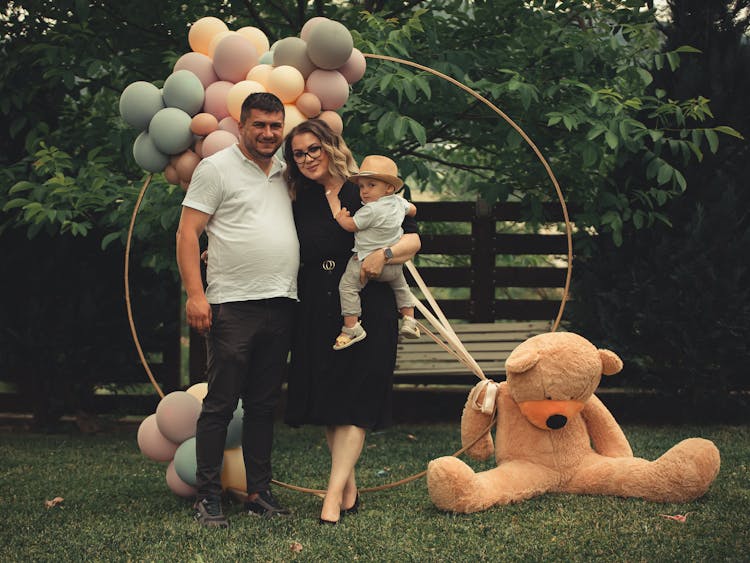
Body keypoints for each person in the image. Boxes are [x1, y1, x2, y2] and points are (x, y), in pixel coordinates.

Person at [283, 119, 421, 524]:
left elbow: (413, 239)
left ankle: (330, 497)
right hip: (315, 302)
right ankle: (349, 488)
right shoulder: (297, 195)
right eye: (298, 153)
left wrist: (386, 255)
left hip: (367, 300)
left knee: (359, 395)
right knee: (331, 399)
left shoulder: (369, 187)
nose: (307, 158)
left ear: (331, 146)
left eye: (314, 149)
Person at [176, 92, 298, 528]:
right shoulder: (216, 168)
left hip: (282, 301)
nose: (268, 133)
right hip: (231, 304)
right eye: (259, 125)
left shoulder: (289, 169)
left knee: (264, 405)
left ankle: (258, 492)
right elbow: (188, 234)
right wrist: (196, 294)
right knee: (221, 404)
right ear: (241, 125)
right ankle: (207, 497)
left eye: (275, 126)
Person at [332, 155, 420, 350]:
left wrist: (341, 217)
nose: (363, 192)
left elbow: (351, 225)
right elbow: (412, 210)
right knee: (401, 288)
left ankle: (352, 327)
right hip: (393, 265)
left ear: (388, 188)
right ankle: (409, 319)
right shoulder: (399, 202)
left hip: (364, 261)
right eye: (362, 186)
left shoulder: (369, 210)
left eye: (371, 185)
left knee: (347, 287)